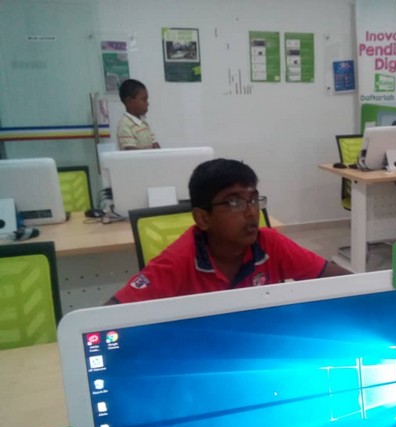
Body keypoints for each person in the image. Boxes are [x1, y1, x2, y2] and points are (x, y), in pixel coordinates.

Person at [107, 158, 350, 304]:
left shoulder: (269, 243)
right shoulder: (178, 261)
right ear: (203, 218)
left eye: (253, 200)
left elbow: (340, 281)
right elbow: (111, 316)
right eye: (234, 202)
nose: (251, 212)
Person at [116, 79, 161, 150]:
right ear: (129, 101)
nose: (147, 103)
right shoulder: (124, 125)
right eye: (144, 99)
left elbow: (155, 145)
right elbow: (131, 153)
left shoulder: (144, 122)